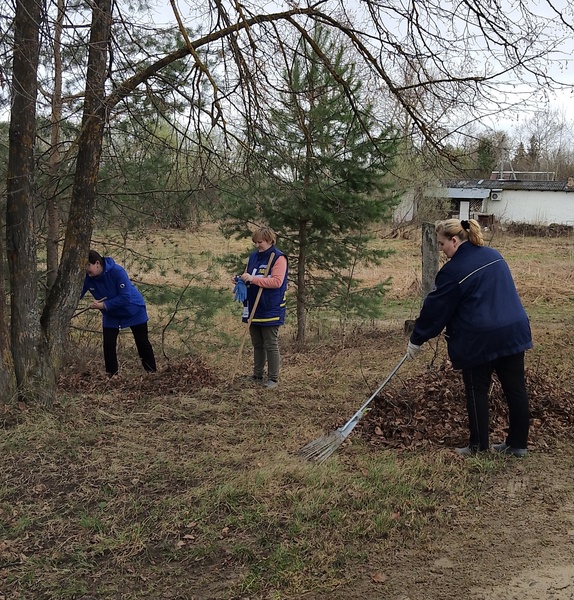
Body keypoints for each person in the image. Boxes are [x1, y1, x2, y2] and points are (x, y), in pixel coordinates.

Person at [406, 218, 532, 457]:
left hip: (481, 338)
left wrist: (417, 338)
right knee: (516, 389)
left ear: (454, 241)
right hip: (514, 331)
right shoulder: (494, 255)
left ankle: (478, 446)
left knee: (477, 389)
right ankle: (518, 445)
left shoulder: (453, 271)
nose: (441, 250)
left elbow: (436, 309)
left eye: (442, 244)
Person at [81, 250, 157, 377]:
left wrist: (103, 305)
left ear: (97, 263)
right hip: (111, 315)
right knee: (108, 344)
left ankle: (151, 372)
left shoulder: (117, 272)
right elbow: (75, 294)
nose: (86, 270)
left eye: (88, 265)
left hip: (133, 309)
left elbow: (125, 297)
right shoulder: (88, 279)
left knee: (142, 342)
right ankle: (112, 375)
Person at [239, 226, 288, 389]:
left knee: (270, 343)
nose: (257, 245)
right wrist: (241, 279)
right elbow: (248, 275)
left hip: (270, 307)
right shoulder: (253, 257)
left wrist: (252, 279)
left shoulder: (278, 258)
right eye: (255, 242)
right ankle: (257, 375)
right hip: (253, 305)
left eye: (260, 242)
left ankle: (273, 378)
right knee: (257, 343)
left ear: (270, 240)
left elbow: (276, 282)